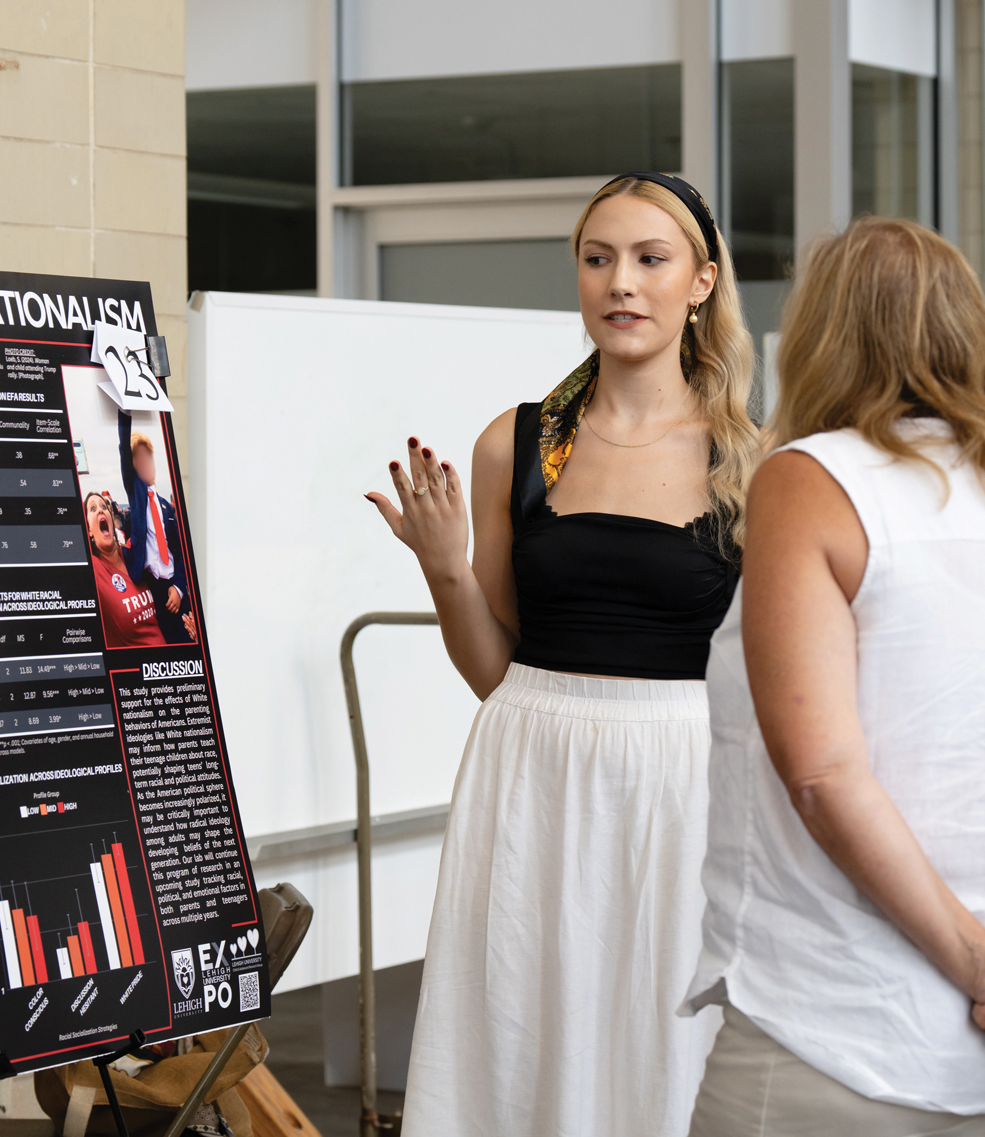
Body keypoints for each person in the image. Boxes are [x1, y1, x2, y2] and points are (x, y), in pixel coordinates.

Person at [366, 173, 759, 1136]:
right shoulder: (520, 441)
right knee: (516, 1032)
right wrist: (442, 565)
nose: (619, 283)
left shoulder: (749, 457)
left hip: (680, 781)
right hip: (529, 769)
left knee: (658, 1047)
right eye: (597, 259)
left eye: (649, 259)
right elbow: (493, 669)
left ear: (701, 282)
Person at [683, 217, 985, 1135]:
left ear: (817, 336)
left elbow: (821, 772)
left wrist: (975, 963)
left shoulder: (812, 479)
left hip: (835, 1025)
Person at [117, 411, 192, 644]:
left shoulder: (166, 508)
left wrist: (179, 588)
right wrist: (124, 413)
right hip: (155, 591)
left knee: (190, 638)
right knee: (169, 643)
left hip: (177, 588)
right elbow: (123, 449)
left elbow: (180, 554)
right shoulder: (137, 496)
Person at [85, 490, 167, 649]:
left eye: (104, 506)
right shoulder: (94, 569)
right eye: (93, 509)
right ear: (88, 530)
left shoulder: (130, 554)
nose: (101, 509)